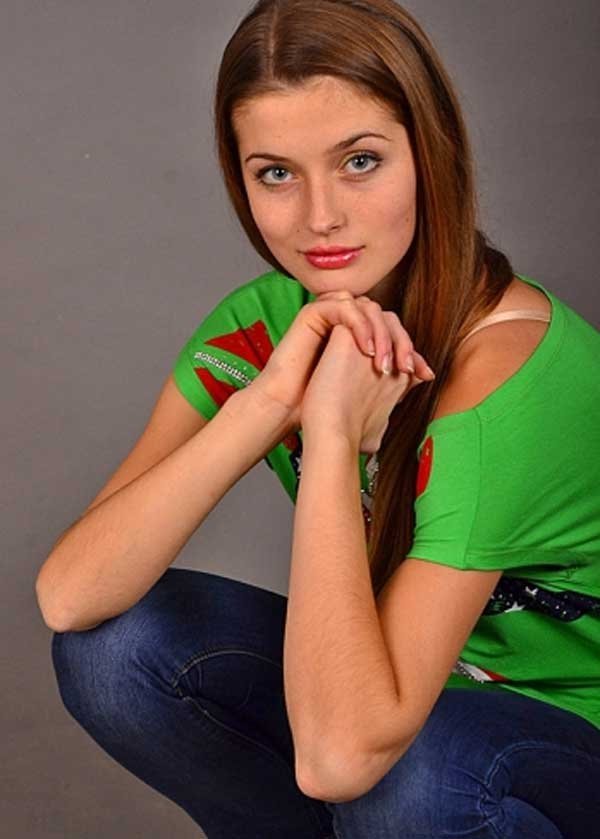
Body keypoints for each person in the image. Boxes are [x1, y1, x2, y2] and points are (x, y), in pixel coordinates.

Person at [36, 0, 600, 836]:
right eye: (276, 173)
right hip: (391, 705)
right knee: (117, 650)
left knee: (408, 771)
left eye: (360, 161)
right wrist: (271, 401)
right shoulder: (268, 325)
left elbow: (340, 755)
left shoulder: (509, 381)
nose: (320, 216)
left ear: (431, 153)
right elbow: (70, 594)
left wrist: (330, 435)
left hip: (563, 738)